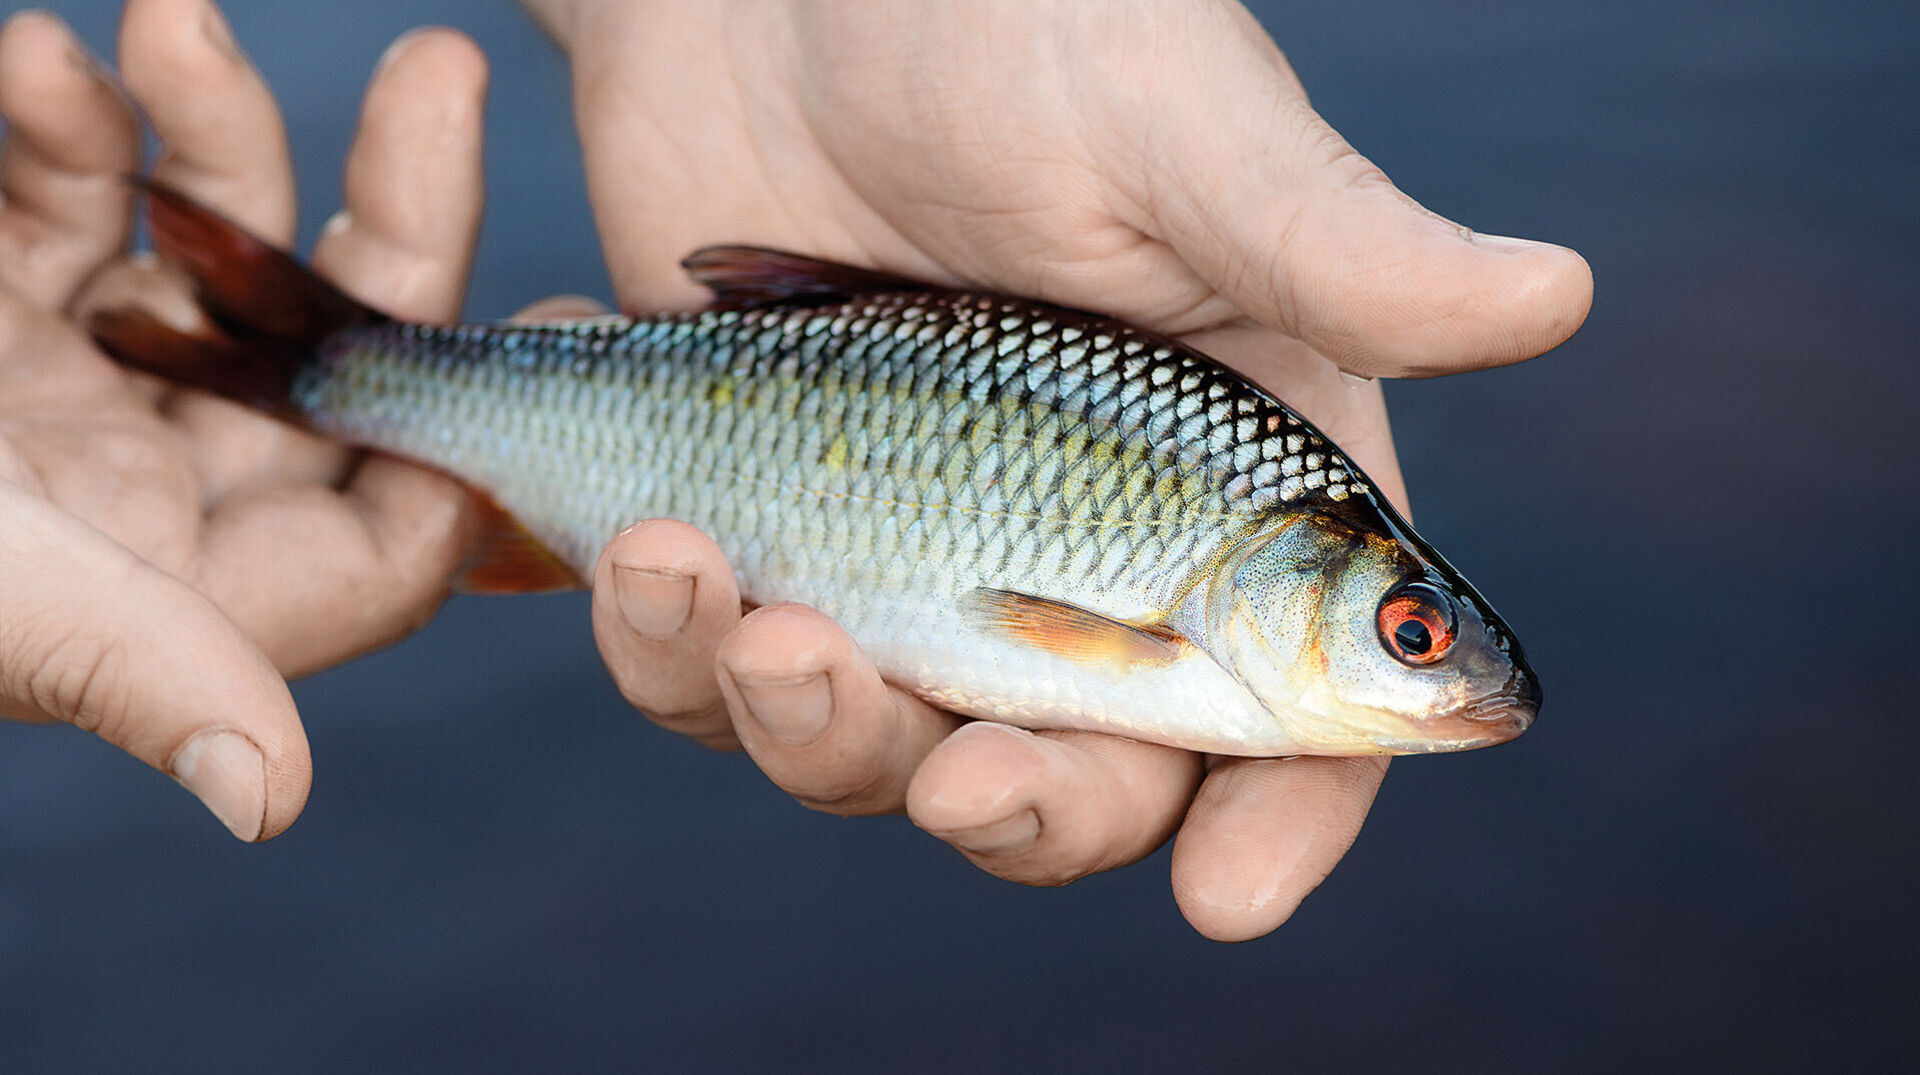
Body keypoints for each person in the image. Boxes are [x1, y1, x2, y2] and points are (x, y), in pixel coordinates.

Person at [0, 0, 1589, 941]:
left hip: (729, 404)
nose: (1439, 667)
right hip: (729, 402)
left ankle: (318, 364)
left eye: (1420, 637)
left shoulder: (1243, 576)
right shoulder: (1209, 601)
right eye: (1414, 636)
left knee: (737, 633)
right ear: (1305, 572)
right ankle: (322, 365)